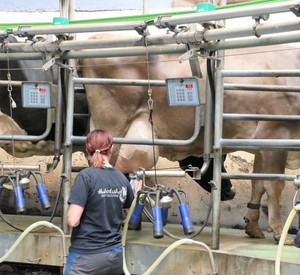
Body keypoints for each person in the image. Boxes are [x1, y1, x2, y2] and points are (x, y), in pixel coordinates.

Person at [65, 129, 134, 275]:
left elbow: (72, 220)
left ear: (87, 150)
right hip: (114, 258)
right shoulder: (122, 179)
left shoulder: (85, 177)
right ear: (112, 149)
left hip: (86, 257)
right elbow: (129, 208)